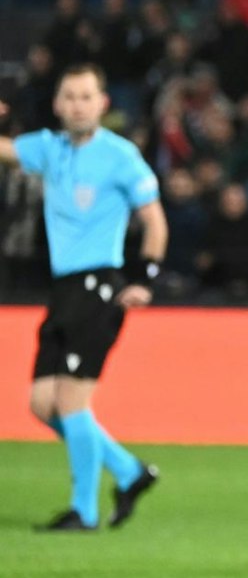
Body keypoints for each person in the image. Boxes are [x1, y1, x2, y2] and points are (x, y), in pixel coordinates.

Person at [0, 67, 165, 532]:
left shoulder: (120, 156)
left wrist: (144, 279)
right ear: (57, 105)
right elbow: (6, 151)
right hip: (63, 288)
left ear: (103, 103)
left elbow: (155, 221)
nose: (77, 104)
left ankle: (84, 511)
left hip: (99, 285)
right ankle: (129, 471)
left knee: (72, 402)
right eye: (69, 96)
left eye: (86, 96)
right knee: (41, 404)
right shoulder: (49, 149)